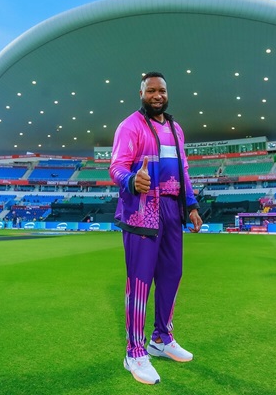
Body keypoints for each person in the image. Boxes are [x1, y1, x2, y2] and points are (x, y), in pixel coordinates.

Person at [109, 71, 203, 385]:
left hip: (172, 209)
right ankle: (134, 352)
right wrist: (131, 180)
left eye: (161, 90)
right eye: (150, 90)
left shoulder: (176, 129)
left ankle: (161, 338)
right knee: (139, 282)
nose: (157, 95)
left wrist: (192, 205)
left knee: (172, 275)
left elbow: (184, 170)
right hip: (141, 211)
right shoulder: (130, 125)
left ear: (167, 93)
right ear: (141, 94)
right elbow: (117, 166)